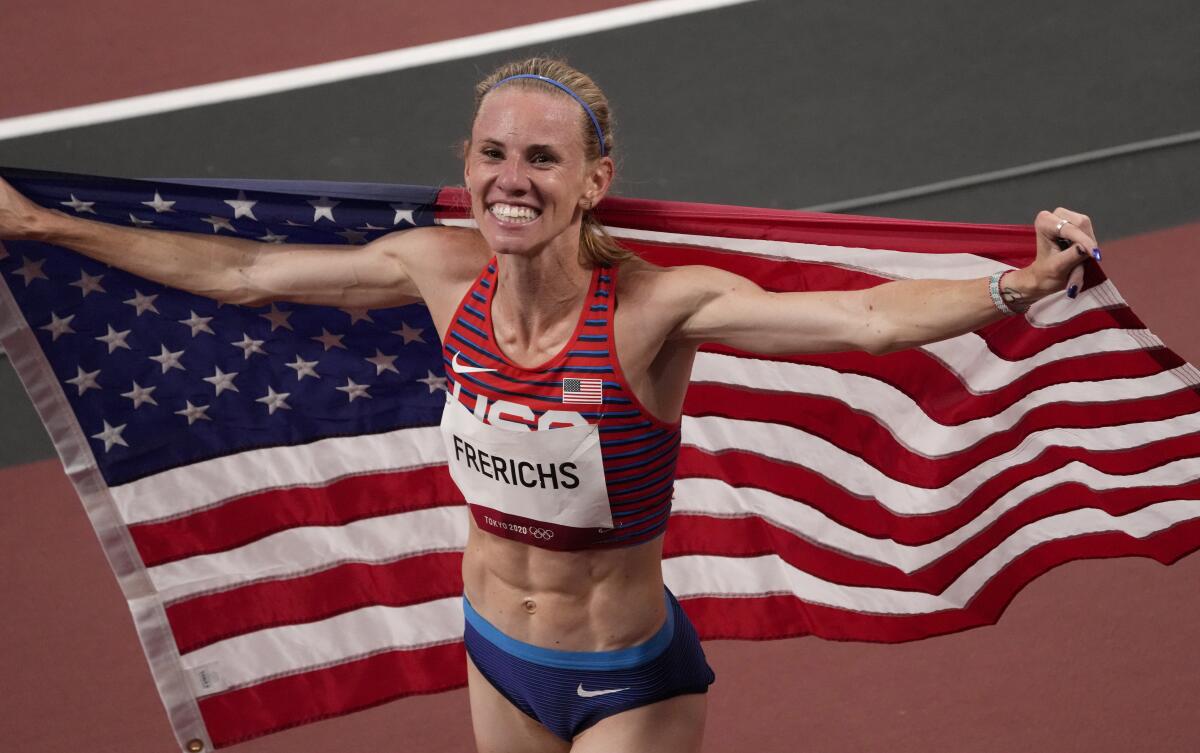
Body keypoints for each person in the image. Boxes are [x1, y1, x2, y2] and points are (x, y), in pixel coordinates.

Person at [0, 57, 1100, 753]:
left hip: (627, 676)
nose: (511, 177)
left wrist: (1023, 284)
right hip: (494, 651)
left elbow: (864, 321)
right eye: (493, 153)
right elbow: (241, 275)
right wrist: (43, 230)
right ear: (466, 166)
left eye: (542, 158)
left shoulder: (655, 311)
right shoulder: (437, 274)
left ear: (592, 181)